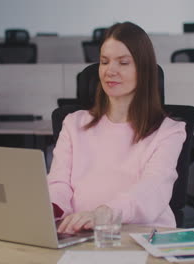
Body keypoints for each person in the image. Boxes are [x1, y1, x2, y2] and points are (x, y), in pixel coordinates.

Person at [48, 21, 186, 234]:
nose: (110, 71)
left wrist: (102, 214)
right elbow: (58, 182)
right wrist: (51, 209)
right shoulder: (73, 123)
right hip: (81, 235)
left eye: (123, 63)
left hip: (142, 236)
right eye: (104, 62)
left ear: (143, 69)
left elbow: (152, 190)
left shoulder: (168, 131)